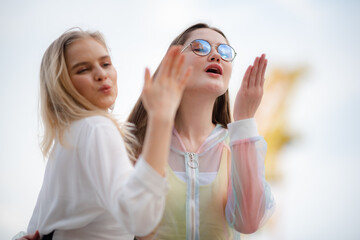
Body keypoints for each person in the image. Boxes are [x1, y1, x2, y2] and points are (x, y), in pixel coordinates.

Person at [15, 28, 192, 239]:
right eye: (83, 69)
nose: (101, 74)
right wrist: (162, 118)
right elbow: (140, 218)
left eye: (106, 63)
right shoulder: (96, 128)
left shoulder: (66, 138)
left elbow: (35, 227)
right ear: (61, 84)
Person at [128, 23, 275, 239]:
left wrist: (244, 121)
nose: (216, 55)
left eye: (224, 52)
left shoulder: (235, 143)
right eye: (200, 47)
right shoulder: (137, 143)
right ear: (174, 61)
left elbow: (249, 222)